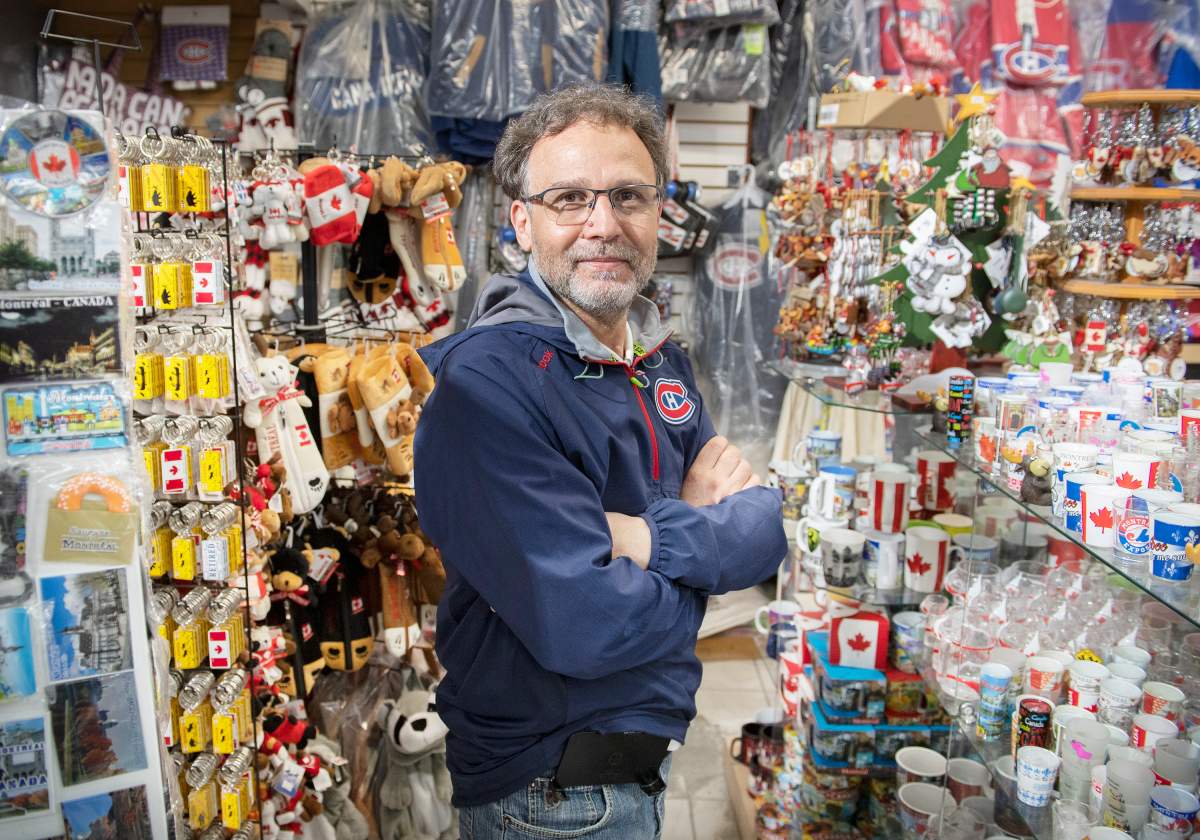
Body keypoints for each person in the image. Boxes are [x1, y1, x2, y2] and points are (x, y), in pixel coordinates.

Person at [414, 83, 787, 839]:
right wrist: (701, 551)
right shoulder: (485, 387)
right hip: (550, 795)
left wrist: (642, 541)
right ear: (521, 221)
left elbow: (764, 529)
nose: (604, 224)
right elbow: (585, 625)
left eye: (628, 196)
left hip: (633, 770)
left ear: (660, 214)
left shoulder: (660, 361)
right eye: (569, 199)